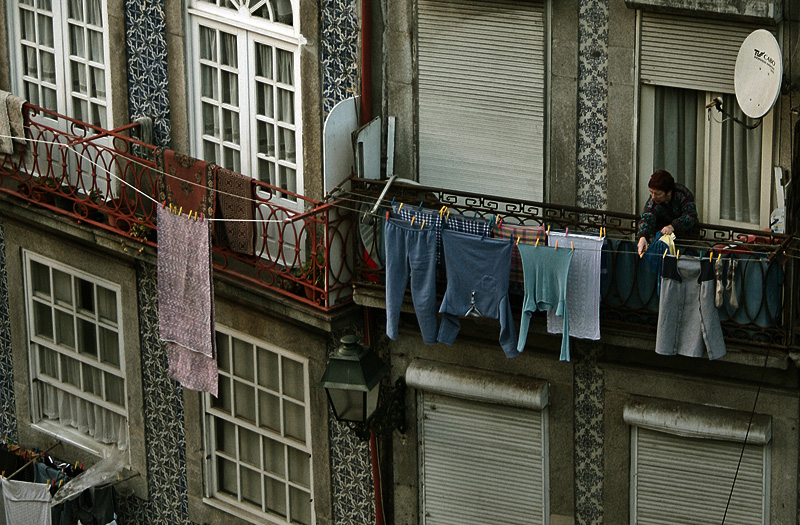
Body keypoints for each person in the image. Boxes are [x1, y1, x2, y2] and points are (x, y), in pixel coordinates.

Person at [636, 170, 699, 256]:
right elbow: (647, 217)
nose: (653, 197)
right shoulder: (654, 200)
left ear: (668, 192)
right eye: (651, 192)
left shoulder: (682, 194)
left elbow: (690, 216)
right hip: (663, 244)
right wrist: (643, 236)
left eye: (658, 194)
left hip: (686, 243)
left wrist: (673, 226)